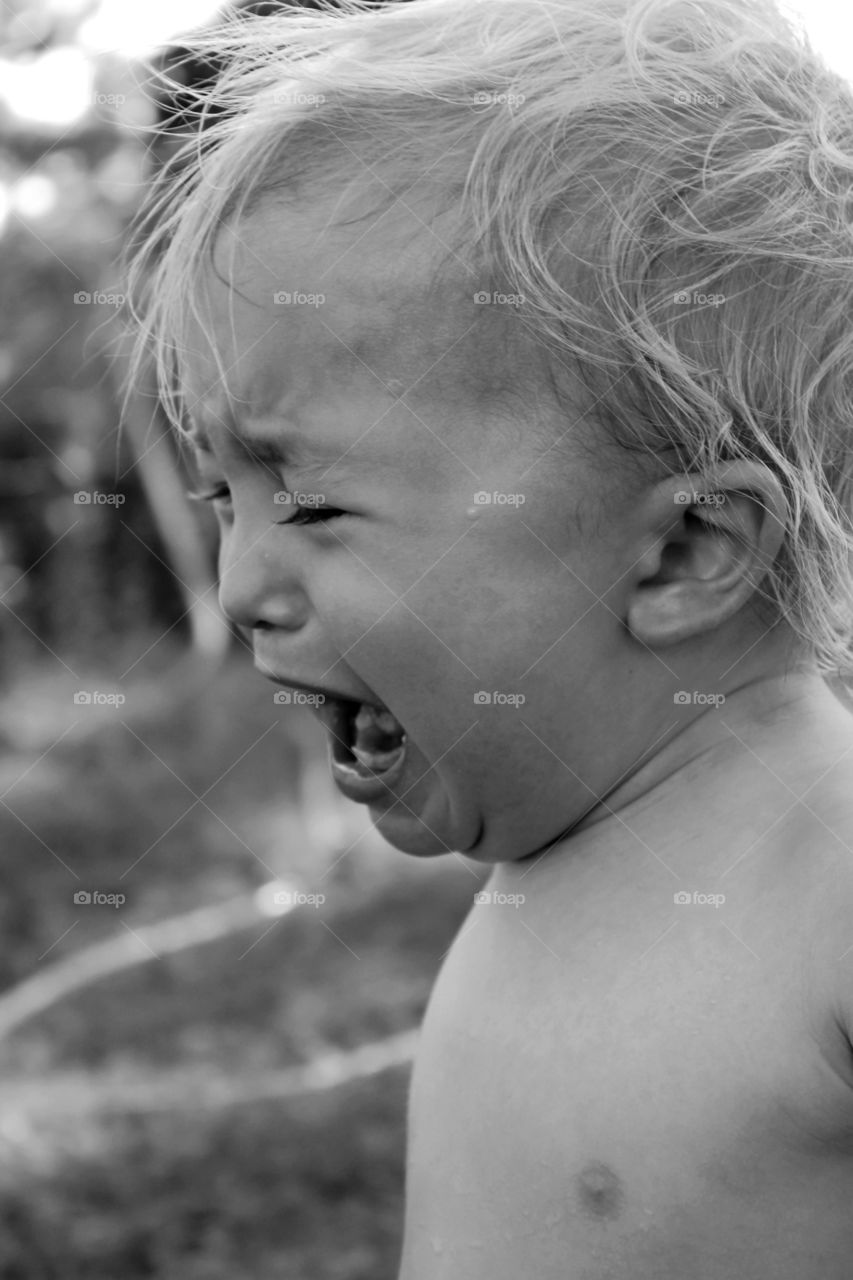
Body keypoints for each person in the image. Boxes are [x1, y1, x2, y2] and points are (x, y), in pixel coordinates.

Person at [123, 0, 853, 1273]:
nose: (240, 583)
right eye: (218, 498)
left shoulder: (824, 884)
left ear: (682, 554)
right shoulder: (562, 847)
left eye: (312, 502)